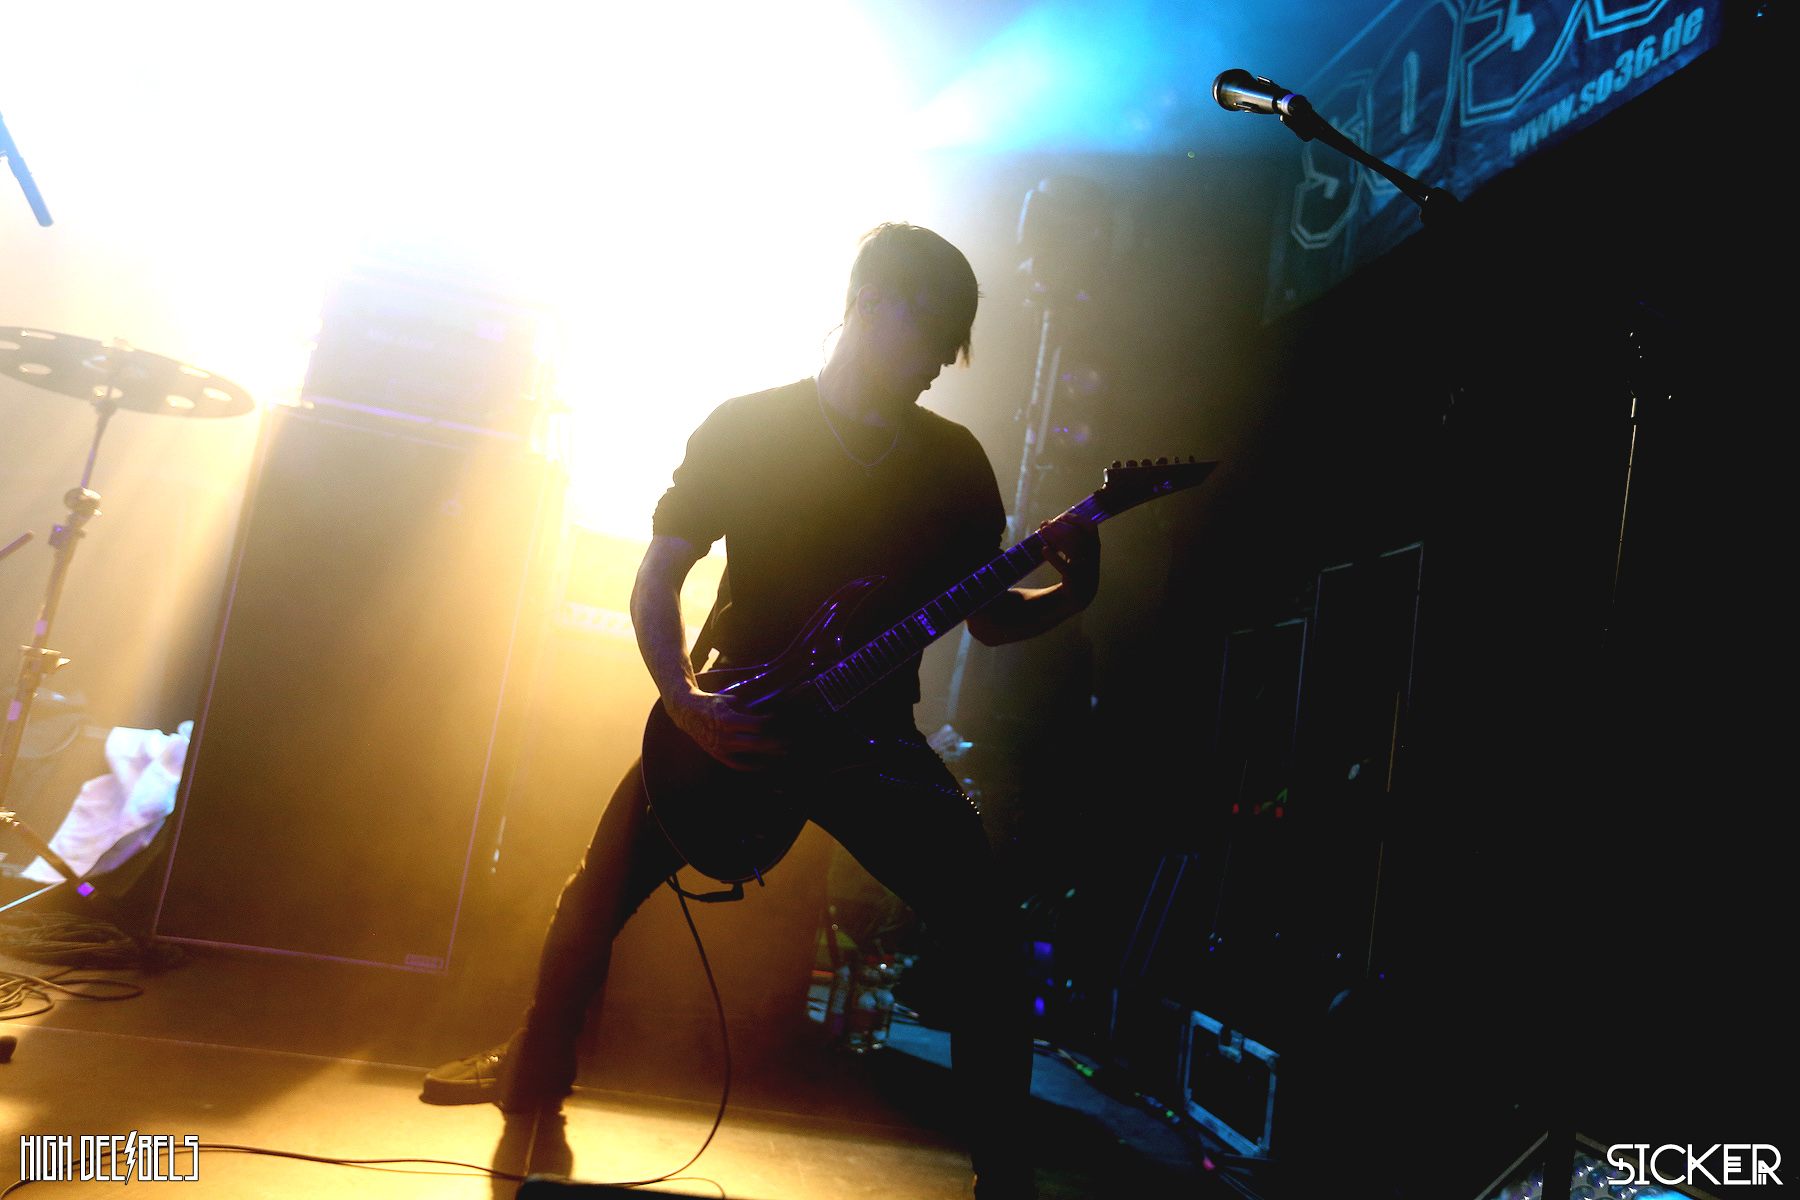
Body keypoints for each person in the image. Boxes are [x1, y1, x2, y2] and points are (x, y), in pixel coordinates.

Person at [421, 223, 1099, 1200]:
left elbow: (987, 620)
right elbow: (659, 577)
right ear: (871, 304)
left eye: (955, 347)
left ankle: (1005, 1175)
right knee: (594, 896)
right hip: (737, 714)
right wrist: (684, 700)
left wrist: (1073, 593)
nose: (938, 367)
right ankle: (533, 1077)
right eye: (933, 334)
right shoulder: (748, 426)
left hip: (871, 738)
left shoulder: (954, 463)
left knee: (986, 928)